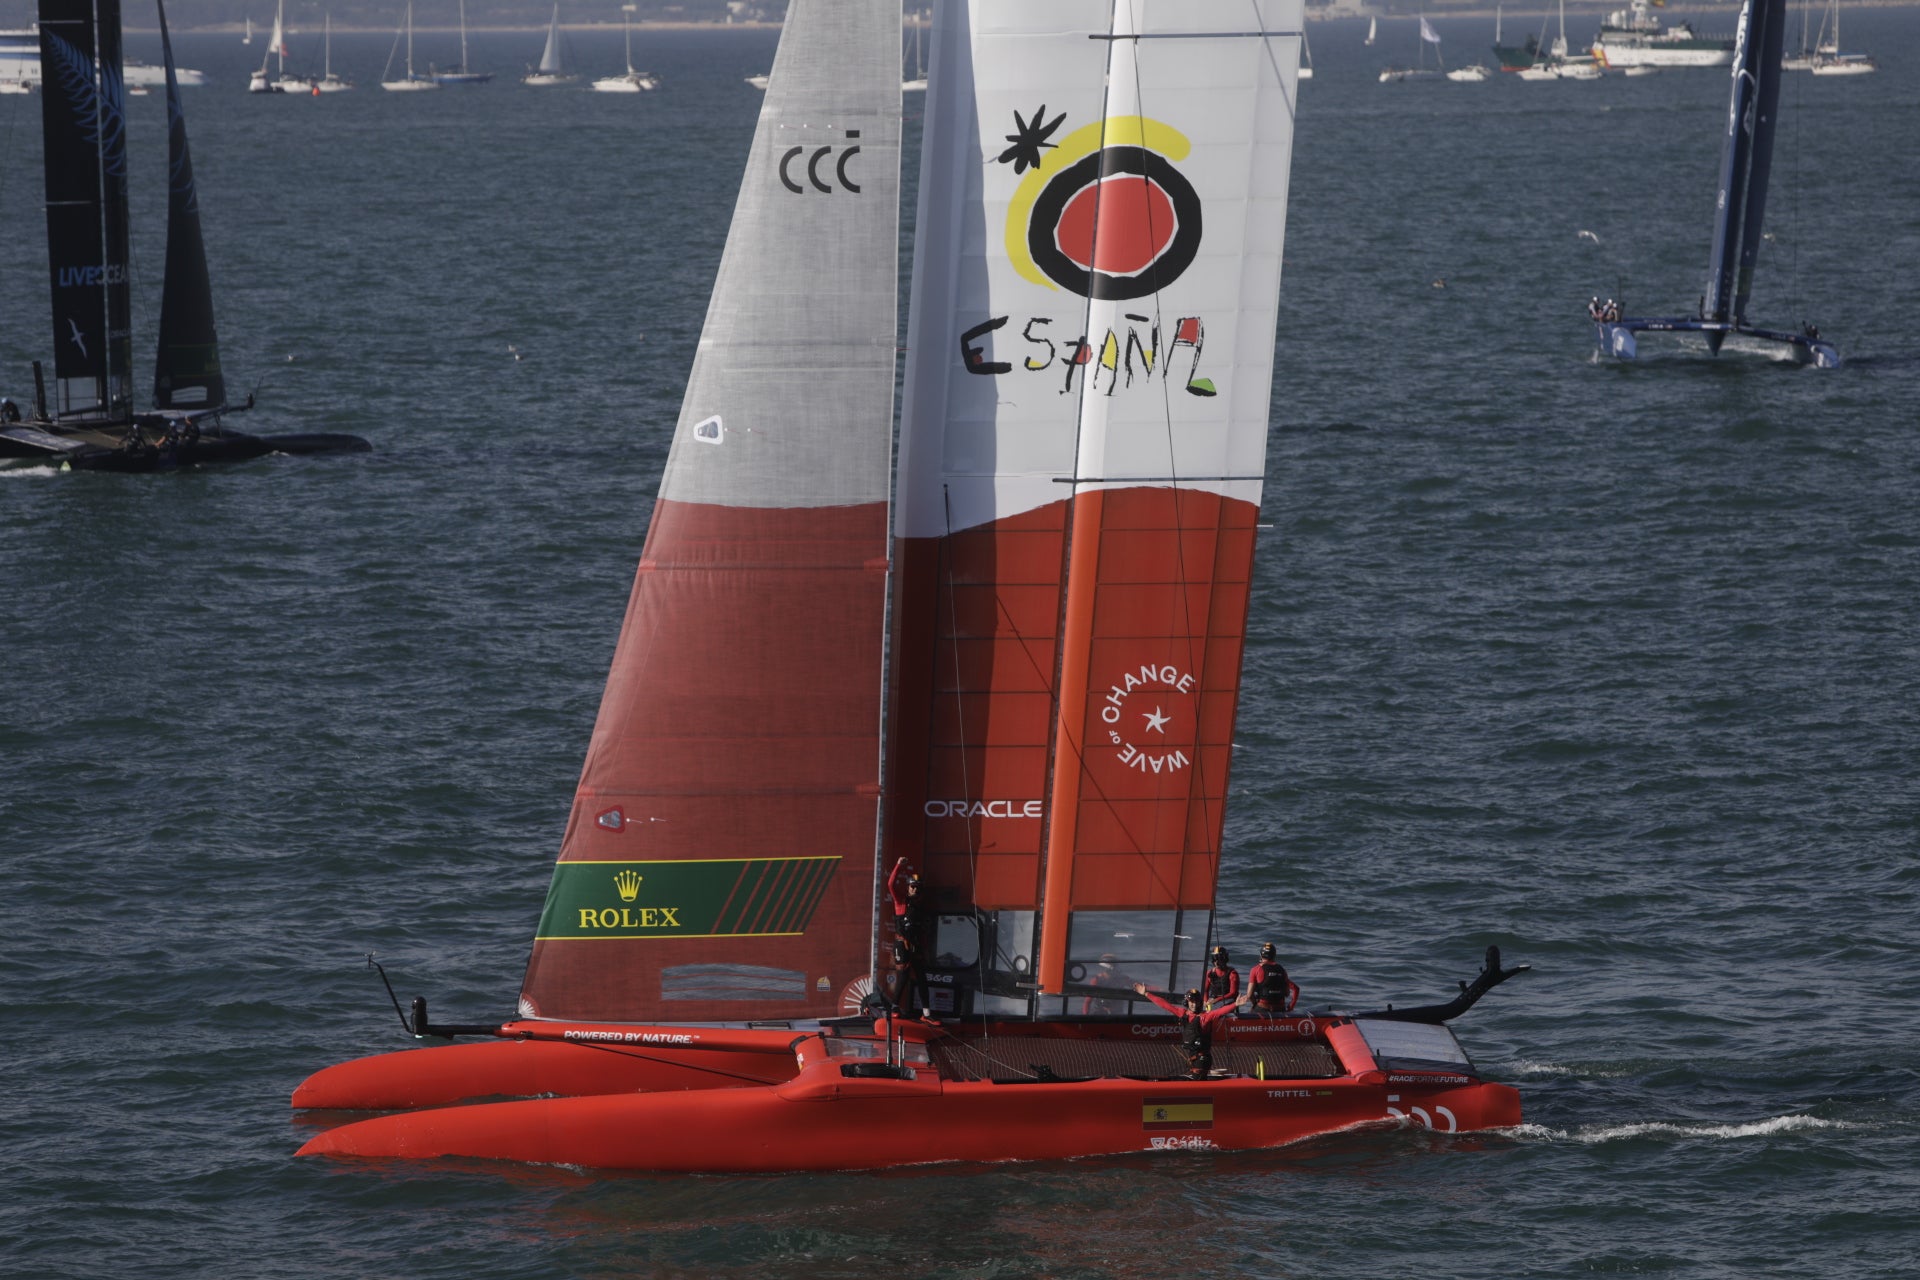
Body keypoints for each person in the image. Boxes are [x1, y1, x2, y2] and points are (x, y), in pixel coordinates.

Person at [1133, 983, 1237, 1078]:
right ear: (1187, 1002)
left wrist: (1235, 1004)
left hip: (1202, 1059)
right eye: (1192, 1002)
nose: (1194, 1005)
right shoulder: (1183, 1013)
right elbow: (1165, 1005)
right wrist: (1146, 993)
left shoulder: (1204, 1017)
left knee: (1197, 1083)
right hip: (1192, 1058)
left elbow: (1219, 1012)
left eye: (1196, 1002)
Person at [885, 857, 928, 1013]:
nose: (915, 890)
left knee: (922, 978)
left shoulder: (921, 906)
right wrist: (898, 865)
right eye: (912, 887)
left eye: (917, 887)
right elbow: (890, 884)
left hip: (915, 946)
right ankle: (894, 1009)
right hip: (902, 945)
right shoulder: (901, 902)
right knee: (902, 976)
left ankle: (927, 1013)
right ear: (908, 887)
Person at [1245, 942, 1299, 1015]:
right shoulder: (1282, 970)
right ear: (1274, 955)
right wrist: (1290, 1007)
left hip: (1262, 1008)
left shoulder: (1255, 970)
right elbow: (1295, 989)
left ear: (1261, 955)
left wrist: (1255, 1005)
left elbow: (1249, 995)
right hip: (1280, 1009)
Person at [1201, 945, 1239, 1012]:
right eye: (1214, 959)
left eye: (1219, 959)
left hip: (1228, 1000)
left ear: (1224, 959)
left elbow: (1233, 993)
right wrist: (1205, 1001)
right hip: (1213, 1001)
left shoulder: (1232, 974)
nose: (1217, 962)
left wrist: (1217, 1000)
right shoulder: (1209, 973)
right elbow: (1205, 990)